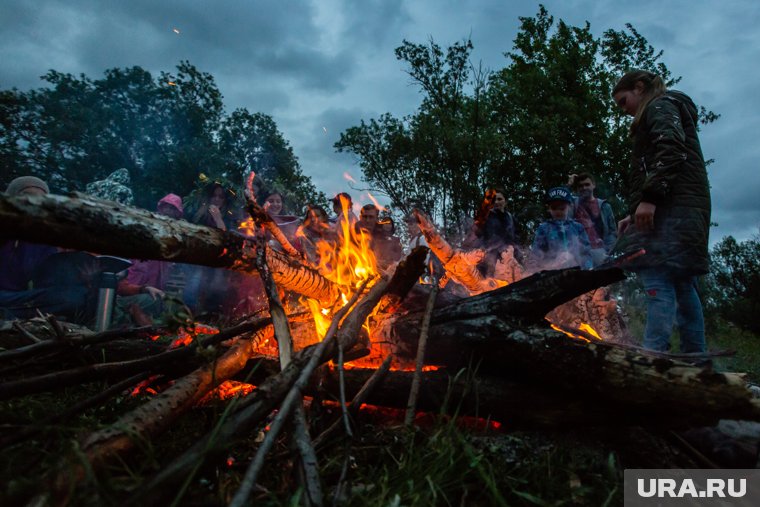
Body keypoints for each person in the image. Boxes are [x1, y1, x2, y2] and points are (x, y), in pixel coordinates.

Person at [612, 69, 710, 353]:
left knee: (657, 277)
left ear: (639, 87)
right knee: (682, 285)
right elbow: (666, 164)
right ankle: (697, 360)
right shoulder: (666, 108)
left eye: (623, 101)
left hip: (670, 213)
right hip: (679, 210)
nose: (623, 110)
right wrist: (634, 212)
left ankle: (653, 356)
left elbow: (670, 149)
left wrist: (650, 199)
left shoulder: (659, 105)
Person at [0, 176, 91, 322]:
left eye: (41, 199)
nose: (34, 202)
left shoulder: (44, 240)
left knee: (74, 296)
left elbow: (45, 281)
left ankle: (11, 314)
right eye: (27, 196)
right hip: (6, 296)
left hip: (21, 298)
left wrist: (82, 277)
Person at [113, 194, 183, 326]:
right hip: (125, 298)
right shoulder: (136, 242)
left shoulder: (168, 249)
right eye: (166, 207)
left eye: (172, 209)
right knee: (150, 300)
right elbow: (119, 286)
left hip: (150, 296)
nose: (168, 212)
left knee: (176, 307)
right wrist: (144, 289)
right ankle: (138, 324)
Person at [530, 186, 593, 271]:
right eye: (554, 208)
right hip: (552, 273)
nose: (558, 211)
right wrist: (536, 270)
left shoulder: (578, 227)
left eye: (562, 208)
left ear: (569, 206)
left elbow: (585, 252)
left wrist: (588, 269)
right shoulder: (544, 228)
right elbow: (536, 253)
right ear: (548, 208)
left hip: (577, 272)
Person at [568, 173, 617, 265]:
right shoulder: (573, 204)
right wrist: (569, 184)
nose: (584, 188)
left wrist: (608, 251)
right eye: (580, 186)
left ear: (593, 185)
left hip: (600, 252)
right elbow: (560, 202)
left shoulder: (605, 206)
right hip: (579, 254)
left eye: (587, 184)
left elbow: (612, 231)